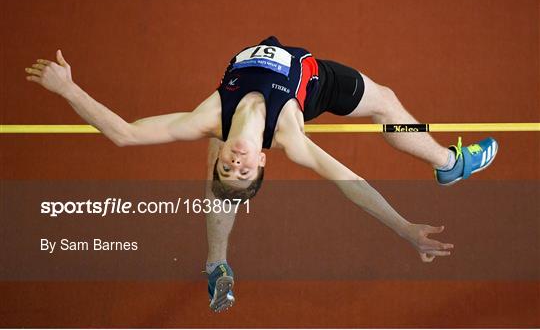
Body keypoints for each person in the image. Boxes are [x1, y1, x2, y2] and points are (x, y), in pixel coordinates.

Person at [25, 35, 497, 312]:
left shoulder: (210, 120)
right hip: (316, 86)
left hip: (242, 92)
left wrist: (67, 88)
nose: (234, 161)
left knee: (219, 185)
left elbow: (124, 134)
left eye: (226, 165)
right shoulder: (291, 137)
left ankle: (215, 265)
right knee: (386, 102)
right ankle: (449, 165)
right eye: (242, 169)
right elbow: (354, 185)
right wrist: (406, 230)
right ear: (263, 160)